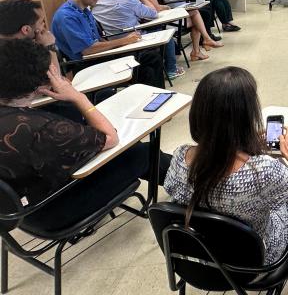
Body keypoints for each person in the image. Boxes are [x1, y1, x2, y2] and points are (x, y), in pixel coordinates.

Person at [0, 39, 170, 230]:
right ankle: (195, 190)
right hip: (51, 211)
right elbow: (110, 138)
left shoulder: (19, 119)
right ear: (41, 84)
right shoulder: (44, 129)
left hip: (18, 213)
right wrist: (76, 96)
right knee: (143, 152)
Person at [163, 67, 288, 263]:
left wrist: (243, 144)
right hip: (255, 261)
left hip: (203, 256)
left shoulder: (180, 156)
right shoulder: (263, 171)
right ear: (246, 116)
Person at [50, 0, 166, 88]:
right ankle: (151, 98)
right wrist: (123, 41)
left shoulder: (85, 11)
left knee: (151, 58)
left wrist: (121, 45)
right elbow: (87, 50)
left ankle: (155, 98)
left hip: (98, 56)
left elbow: (99, 39)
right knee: (147, 68)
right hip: (86, 64)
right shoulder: (66, 16)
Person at [93, 0, 185, 80]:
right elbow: (154, 13)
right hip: (133, 40)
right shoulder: (128, 0)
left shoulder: (96, 3)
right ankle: (171, 70)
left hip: (113, 43)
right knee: (168, 36)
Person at [0, 0, 60, 70]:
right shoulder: (21, 58)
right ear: (26, 29)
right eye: (41, 22)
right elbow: (56, 80)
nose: (44, 25)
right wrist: (50, 47)